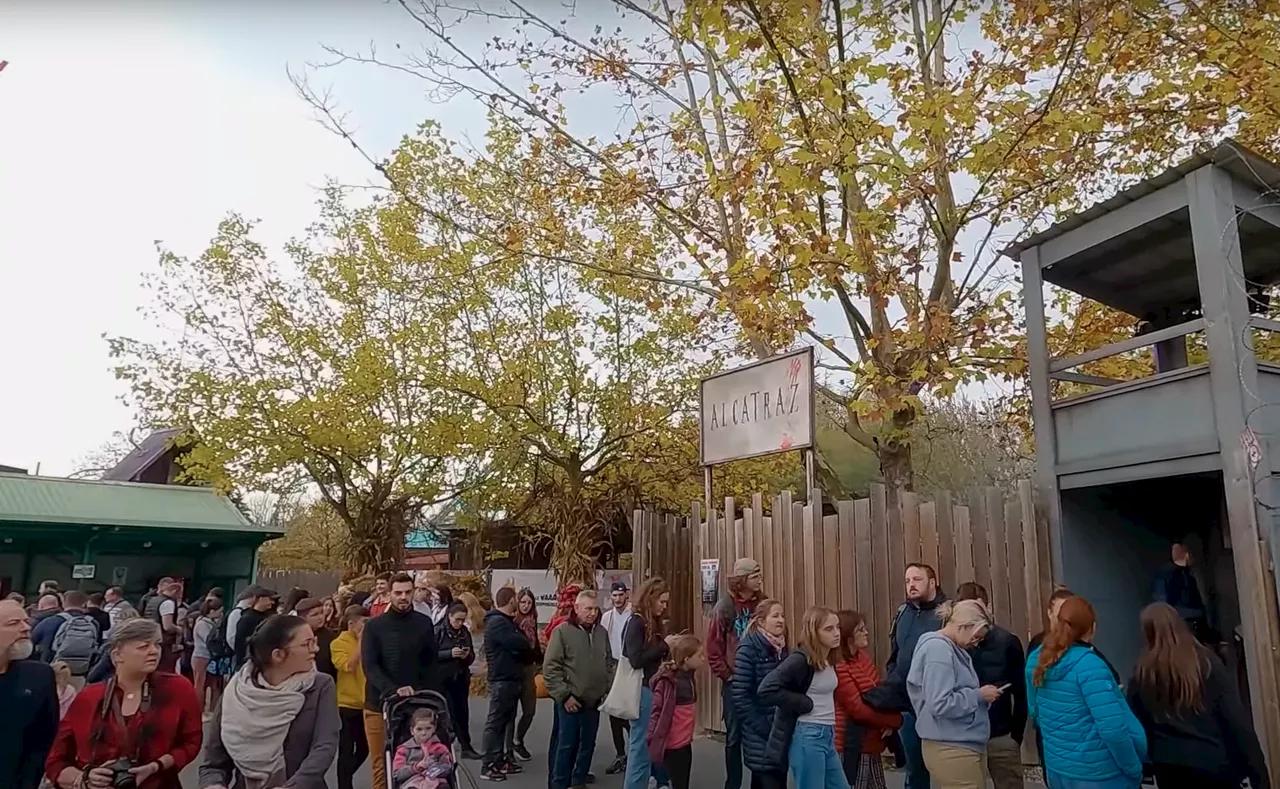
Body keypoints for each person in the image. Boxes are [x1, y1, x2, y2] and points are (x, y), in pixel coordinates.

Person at [45, 618, 203, 789]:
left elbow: (191, 742)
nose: (154, 652)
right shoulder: (89, 698)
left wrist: (157, 765)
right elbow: (56, 759)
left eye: (157, 645)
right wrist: (83, 778)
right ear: (117, 655)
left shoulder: (178, 688)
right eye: (143, 647)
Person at [1125, 603, 1268, 789]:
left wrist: (1146, 770)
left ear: (1147, 632)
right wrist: (1255, 770)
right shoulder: (1206, 663)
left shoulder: (1142, 673)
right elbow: (1234, 719)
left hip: (1169, 767)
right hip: (1212, 763)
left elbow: (1137, 725)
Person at [200, 614, 340, 789]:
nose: (316, 649)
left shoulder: (320, 685)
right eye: (307, 644)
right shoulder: (236, 692)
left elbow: (324, 746)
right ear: (278, 655)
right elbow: (214, 763)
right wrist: (213, 784)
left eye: (314, 641)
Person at [1028, 596, 1146, 789]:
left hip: (1058, 771)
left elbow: (1037, 714)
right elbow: (1113, 730)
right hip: (1098, 775)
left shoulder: (1038, 660)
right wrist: (1134, 768)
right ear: (1092, 628)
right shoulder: (1090, 666)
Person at [906, 599, 1001, 789]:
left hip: (957, 743)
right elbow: (940, 703)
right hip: (951, 746)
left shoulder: (948, 648)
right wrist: (978, 696)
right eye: (976, 637)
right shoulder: (939, 651)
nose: (976, 643)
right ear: (963, 626)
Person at [363, 573, 439, 789]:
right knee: (381, 762)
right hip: (379, 703)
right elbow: (370, 666)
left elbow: (430, 664)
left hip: (415, 704)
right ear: (389, 594)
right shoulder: (374, 626)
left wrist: (428, 695)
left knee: (415, 758)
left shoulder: (424, 623)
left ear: (413, 592)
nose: (403, 597)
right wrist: (393, 689)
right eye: (398, 593)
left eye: (407, 592)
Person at [758, 606, 846, 789]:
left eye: (837, 627)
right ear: (814, 632)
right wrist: (802, 703)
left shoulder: (828, 658)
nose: (836, 633)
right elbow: (766, 688)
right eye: (829, 629)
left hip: (827, 734)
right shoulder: (801, 660)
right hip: (809, 733)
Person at [955, 582, 1026, 789]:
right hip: (964, 735)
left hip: (1000, 734)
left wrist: (1015, 736)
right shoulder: (953, 644)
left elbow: (1021, 692)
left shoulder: (1007, 642)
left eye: (978, 608)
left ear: (988, 607)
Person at [886, 563, 949, 789]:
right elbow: (895, 654)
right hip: (906, 704)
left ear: (932, 582)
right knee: (914, 769)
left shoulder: (947, 614)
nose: (911, 585)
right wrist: (893, 682)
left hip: (936, 705)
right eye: (907, 580)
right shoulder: (903, 613)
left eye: (917, 579)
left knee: (942, 769)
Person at [544, 589, 612, 789]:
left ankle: (578, 781)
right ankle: (558, 784)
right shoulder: (563, 632)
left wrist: (606, 687)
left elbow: (608, 661)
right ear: (577, 608)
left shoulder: (601, 633)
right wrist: (564, 696)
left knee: (588, 746)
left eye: (596, 608)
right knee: (566, 747)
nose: (592, 613)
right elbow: (551, 667)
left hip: (594, 700)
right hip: (570, 701)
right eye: (588, 609)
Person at [707, 558, 764, 789]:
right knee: (734, 737)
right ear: (742, 581)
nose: (760, 579)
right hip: (735, 683)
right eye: (755, 576)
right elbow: (713, 649)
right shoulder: (725, 607)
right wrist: (729, 676)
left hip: (760, 680)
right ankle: (733, 784)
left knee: (759, 734)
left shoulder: (763, 604)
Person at [833, 610, 900, 789]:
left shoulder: (863, 658)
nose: (866, 633)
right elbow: (857, 708)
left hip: (872, 741)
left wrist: (887, 722)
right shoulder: (839, 665)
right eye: (860, 630)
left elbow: (879, 693)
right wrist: (894, 720)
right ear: (848, 637)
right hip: (852, 743)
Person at [0, 598, 58, 789]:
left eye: (26, 621)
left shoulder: (39, 676)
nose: (26, 628)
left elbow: (44, 740)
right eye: (13, 623)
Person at [731, 599, 789, 789]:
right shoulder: (748, 648)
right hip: (761, 733)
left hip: (780, 731)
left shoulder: (782, 648)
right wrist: (765, 727)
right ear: (761, 622)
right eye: (775, 616)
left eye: (782, 615)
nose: (781, 620)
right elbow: (740, 695)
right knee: (768, 779)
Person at [623, 578, 673, 789]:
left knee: (647, 744)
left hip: (652, 686)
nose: (664, 606)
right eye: (661, 601)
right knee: (640, 747)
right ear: (650, 599)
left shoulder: (650, 622)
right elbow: (635, 659)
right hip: (642, 690)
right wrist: (664, 646)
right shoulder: (636, 622)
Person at [481, 586, 534, 782]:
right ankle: (488, 764)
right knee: (495, 723)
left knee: (504, 722)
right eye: (516, 599)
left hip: (511, 678)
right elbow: (520, 643)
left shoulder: (506, 622)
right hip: (502, 679)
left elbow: (522, 645)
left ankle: (500, 759)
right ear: (511, 600)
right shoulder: (498, 623)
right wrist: (524, 645)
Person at [646, 635, 703, 789]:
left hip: (685, 742)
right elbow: (656, 710)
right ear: (686, 659)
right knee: (678, 781)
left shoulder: (688, 676)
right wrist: (653, 738)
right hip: (673, 744)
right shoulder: (669, 682)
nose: (703, 659)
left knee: (683, 781)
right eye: (699, 655)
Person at [332, 605, 372, 789]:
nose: (367, 625)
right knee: (346, 750)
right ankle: (344, 785)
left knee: (365, 748)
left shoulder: (370, 641)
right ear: (351, 623)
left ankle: (347, 775)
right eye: (364, 622)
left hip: (366, 703)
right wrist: (362, 641)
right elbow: (347, 666)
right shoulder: (338, 643)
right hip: (346, 705)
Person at [434, 601, 479, 759]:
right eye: (457, 619)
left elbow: (472, 654)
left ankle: (466, 745)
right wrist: (449, 654)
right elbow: (429, 656)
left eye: (462, 620)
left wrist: (467, 656)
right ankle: (443, 747)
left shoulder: (464, 632)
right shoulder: (438, 631)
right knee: (446, 713)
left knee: (462, 713)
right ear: (449, 616)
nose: (460, 623)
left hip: (460, 677)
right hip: (442, 679)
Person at [600, 581, 634, 775]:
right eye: (614, 596)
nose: (618, 599)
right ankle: (620, 754)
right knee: (613, 711)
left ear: (626, 595)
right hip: (613, 665)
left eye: (620, 595)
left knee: (629, 710)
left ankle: (635, 750)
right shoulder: (607, 617)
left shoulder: (633, 615)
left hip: (629, 665)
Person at [505, 587, 540, 763]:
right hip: (515, 668)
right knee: (510, 712)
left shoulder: (533, 620)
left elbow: (535, 644)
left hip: (529, 668)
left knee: (530, 710)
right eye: (523, 602)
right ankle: (509, 748)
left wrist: (539, 659)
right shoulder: (512, 622)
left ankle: (519, 739)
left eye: (529, 602)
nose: (526, 606)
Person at [41, 590, 102, 688]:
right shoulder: (93, 623)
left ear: (64, 603)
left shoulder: (52, 621)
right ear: (84, 604)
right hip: (80, 673)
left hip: (53, 671)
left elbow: (33, 639)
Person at [1152, 542, 1211, 643]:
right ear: (1187, 555)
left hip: (1186, 621)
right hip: (1185, 622)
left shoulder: (1179, 574)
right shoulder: (1177, 574)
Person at [393, 708, 455, 789]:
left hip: (435, 781)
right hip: (412, 782)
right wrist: (416, 767)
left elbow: (447, 768)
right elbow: (397, 774)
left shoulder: (440, 748)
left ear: (434, 729)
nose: (423, 733)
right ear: (412, 731)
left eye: (428, 728)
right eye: (419, 729)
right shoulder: (404, 749)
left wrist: (436, 767)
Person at [191, 595, 226, 713]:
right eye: (219, 612)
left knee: (213, 684)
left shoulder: (209, 622)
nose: (221, 614)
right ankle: (198, 710)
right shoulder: (202, 624)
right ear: (211, 611)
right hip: (201, 656)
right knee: (200, 684)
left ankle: (212, 709)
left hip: (208, 657)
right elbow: (209, 640)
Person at [233, 587, 280, 670]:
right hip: (248, 663)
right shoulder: (247, 618)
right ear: (260, 598)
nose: (272, 603)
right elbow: (240, 644)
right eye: (270, 599)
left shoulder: (266, 616)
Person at [298, 598, 338, 679]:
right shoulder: (294, 636)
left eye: (322, 613)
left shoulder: (331, 636)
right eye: (315, 615)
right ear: (303, 618)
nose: (321, 617)